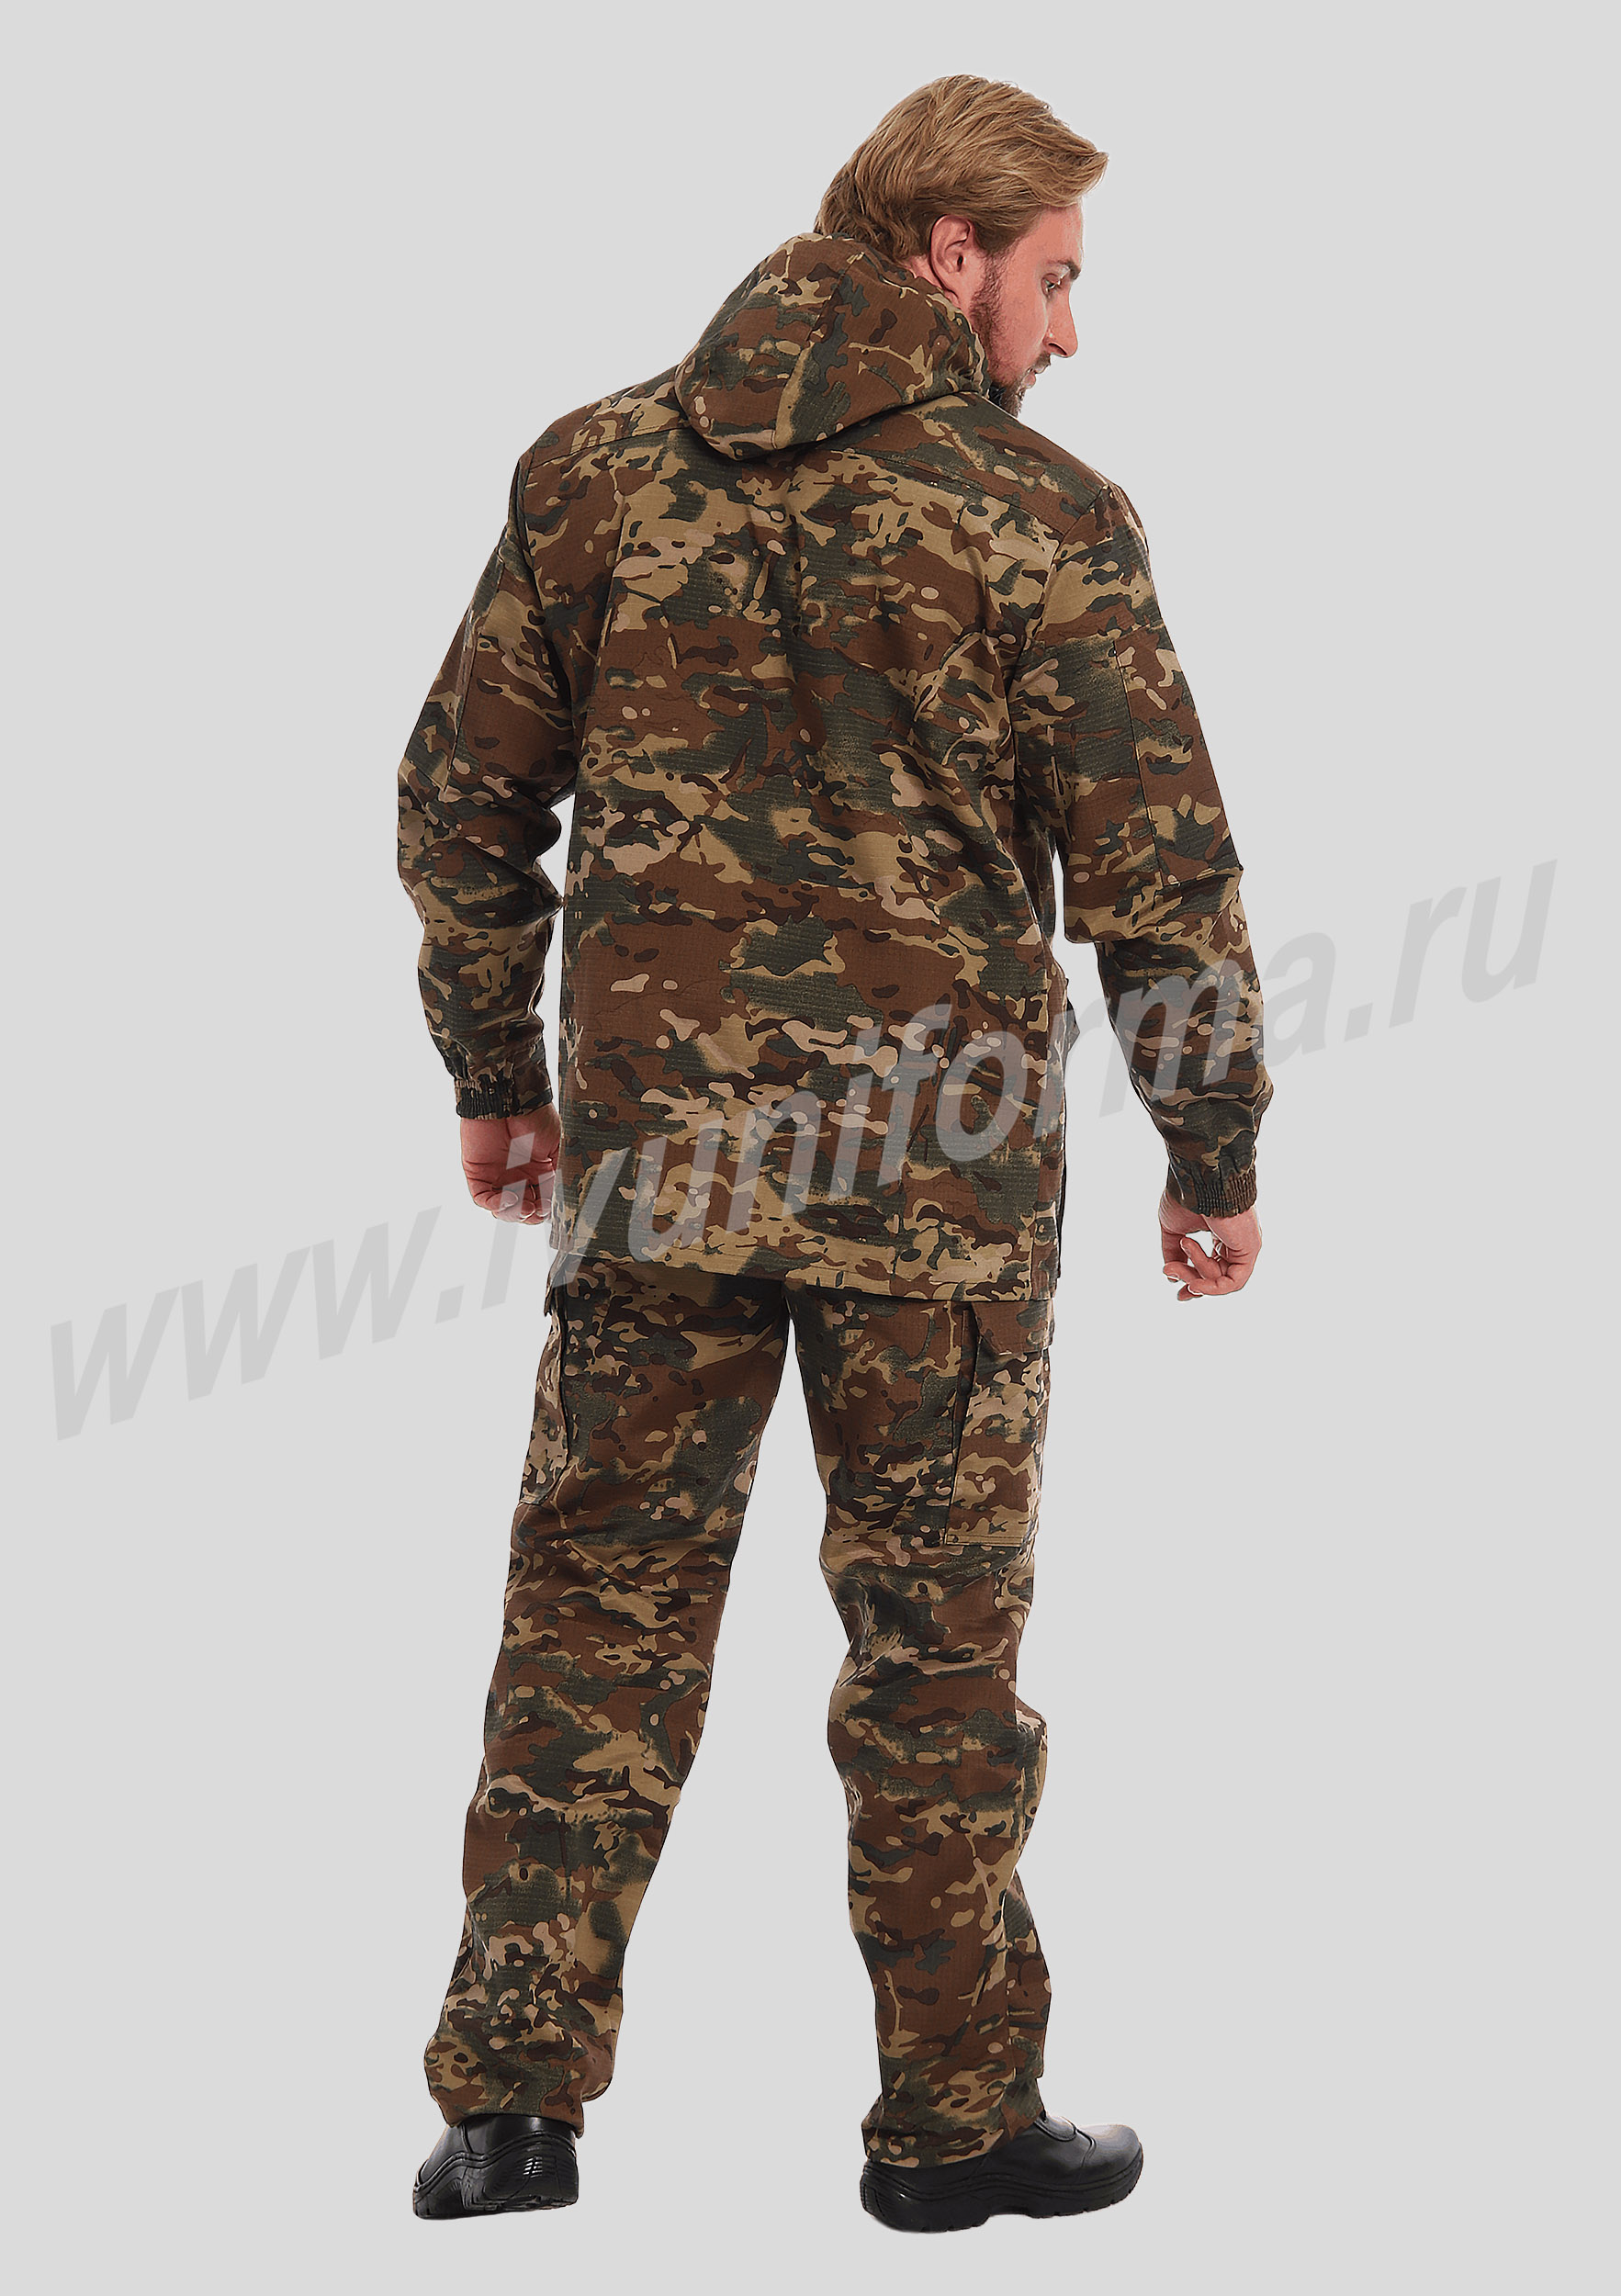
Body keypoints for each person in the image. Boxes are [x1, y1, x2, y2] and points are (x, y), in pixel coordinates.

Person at [397, 73, 1270, 2235]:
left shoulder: (594, 473)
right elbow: (1158, 880)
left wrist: (498, 1073)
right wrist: (1211, 1146)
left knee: (591, 1628)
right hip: (934, 1205)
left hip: (657, 1180)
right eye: (1053, 278)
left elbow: (456, 806)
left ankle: (509, 2115)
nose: (1068, 329)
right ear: (946, 254)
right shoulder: (1040, 516)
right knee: (935, 1662)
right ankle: (953, 2127)